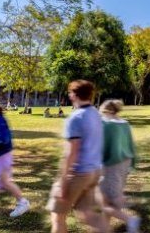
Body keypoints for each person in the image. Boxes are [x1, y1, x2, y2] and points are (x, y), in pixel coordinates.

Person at [46, 80, 109, 233]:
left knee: (58, 216)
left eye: (70, 92)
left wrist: (63, 182)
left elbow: (71, 153)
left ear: (74, 95)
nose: (69, 95)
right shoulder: (96, 114)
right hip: (94, 172)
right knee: (86, 215)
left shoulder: (76, 117)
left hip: (78, 173)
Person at [99, 100, 140, 233]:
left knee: (105, 200)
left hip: (111, 165)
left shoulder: (107, 125)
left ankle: (130, 220)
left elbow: (102, 147)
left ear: (109, 111)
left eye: (103, 112)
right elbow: (131, 145)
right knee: (108, 198)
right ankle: (104, 228)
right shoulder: (125, 124)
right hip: (125, 163)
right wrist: (132, 164)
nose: (102, 115)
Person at [0, 100, 30, 217]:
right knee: (5, 181)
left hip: (0, 156)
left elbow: (2, 139)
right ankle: (22, 202)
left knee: (5, 181)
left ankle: (23, 203)